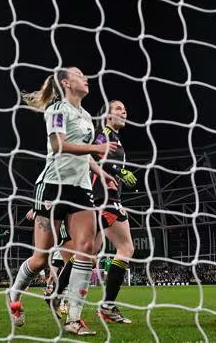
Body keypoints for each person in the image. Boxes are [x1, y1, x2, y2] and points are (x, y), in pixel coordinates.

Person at [7, 68, 118, 336]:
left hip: (80, 189)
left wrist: (101, 172)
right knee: (40, 259)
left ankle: (74, 319)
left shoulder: (87, 116)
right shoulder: (56, 110)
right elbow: (58, 145)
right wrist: (97, 148)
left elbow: (84, 155)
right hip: (52, 187)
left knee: (87, 249)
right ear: (66, 83)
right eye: (80, 75)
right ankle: (14, 295)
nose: (86, 78)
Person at [92, 100, 137, 323]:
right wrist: (119, 170)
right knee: (126, 247)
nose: (124, 111)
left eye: (125, 109)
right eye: (119, 108)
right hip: (104, 197)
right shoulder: (104, 134)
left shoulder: (115, 138)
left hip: (105, 197)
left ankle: (57, 294)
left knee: (89, 252)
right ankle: (107, 306)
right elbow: (93, 154)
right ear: (107, 115)